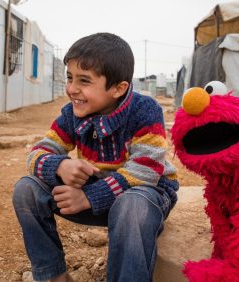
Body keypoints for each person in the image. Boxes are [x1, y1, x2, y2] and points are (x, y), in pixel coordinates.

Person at [12, 32, 179, 282]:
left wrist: (89, 196)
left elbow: (145, 170)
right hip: (94, 198)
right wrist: (60, 165)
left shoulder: (145, 111)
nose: (72, 89)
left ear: (118, 88)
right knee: (27, 190)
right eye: (70, 77)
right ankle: (54, 276)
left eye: (84, 81)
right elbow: (37, 153)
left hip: (145, 196)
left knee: (131, 206)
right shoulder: (72, 114)